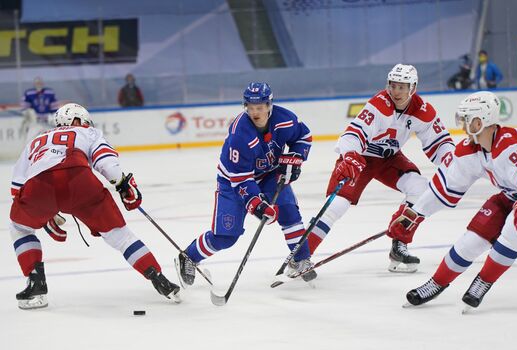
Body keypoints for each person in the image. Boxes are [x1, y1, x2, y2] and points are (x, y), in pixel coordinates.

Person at [389, 91, 517, 311]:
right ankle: (436, 283)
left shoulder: (510, 144)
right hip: (514, 195)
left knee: (515, 227)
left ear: (481, 121)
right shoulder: (470, 150)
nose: (463, 125)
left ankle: (483, 281)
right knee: (474, 236)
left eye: (467, 119)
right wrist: (415, 214)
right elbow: (444, 189)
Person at [9, 103, 180, 309]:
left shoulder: (35, 141)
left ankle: (35, 282)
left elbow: (17, 186)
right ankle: (158, 278)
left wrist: (45, 213)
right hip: (80, 182)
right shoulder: (88, 132)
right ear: (77, 120)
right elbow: (107, 164)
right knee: (120, 236)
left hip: (39, 187)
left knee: (19, 227)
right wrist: (121, 183)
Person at [306, 64, 455, 273]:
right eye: (393, 86)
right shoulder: (379, 104)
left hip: (389, 159)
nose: (396, 92)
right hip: (360, 158)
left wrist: (451, 163)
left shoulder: (423, 111)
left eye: (402, 87)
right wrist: (349, 156)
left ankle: (399, 242)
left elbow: (440, 143)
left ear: (413, 88)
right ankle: (302, 255)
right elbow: (353, 135)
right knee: (337, 205)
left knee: (421, 190)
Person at [176, 82, 316, 285]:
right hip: (232, 181)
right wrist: (256, 204)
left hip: (269, 174)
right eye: (250, 107)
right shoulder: (239, 135)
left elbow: (303, 136)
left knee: (288, 211)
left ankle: (300, 259)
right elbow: (241, 179)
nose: (254, 112)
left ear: (269, 105)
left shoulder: (285, 119)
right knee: (225, 238)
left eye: (259, 107)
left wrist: (295, 157)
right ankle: (189, 256)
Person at [21, 77, 59, 141]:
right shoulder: (29, 93)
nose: (38, 84)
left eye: (40, 83)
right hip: (35, 123)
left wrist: (52, 117)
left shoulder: (50, 93)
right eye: (37, 83)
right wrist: (29, 115)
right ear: (34, 84)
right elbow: (25, 108)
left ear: (43, 83)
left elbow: (54, 108)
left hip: (47, 122)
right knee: (30, 140)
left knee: (49, 139)